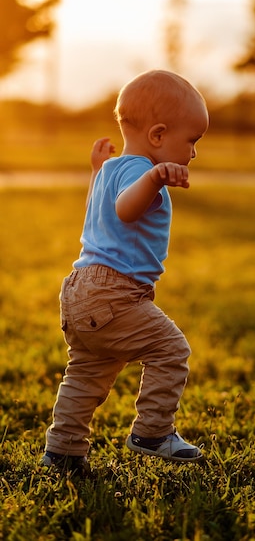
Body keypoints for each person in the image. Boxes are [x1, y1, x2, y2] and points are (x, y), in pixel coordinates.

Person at [41, 69, 209, 474]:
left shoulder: (111, 170)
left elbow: (98, 212)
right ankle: (152, 432)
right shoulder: (139, 173)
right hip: (113, 293)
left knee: (86, 375)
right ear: (157, 136)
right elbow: (125, 210)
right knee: (171, 350)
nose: (193, 153)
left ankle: (63, 451)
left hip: (80, 289)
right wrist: (154, 178)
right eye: (191, 141)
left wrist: (97, 170)